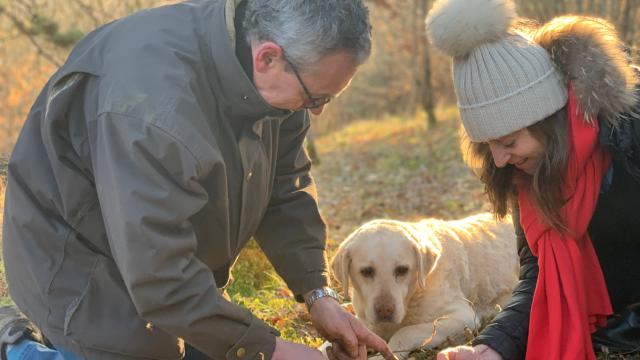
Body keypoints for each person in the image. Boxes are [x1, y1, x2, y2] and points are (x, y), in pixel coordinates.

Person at [0, 1, 399, 360]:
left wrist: (318, 294)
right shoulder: (154, 111)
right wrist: (269, 350)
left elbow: (286, 186)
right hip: (76, 265)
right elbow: (160, 276)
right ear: (268, 58)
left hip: (162, 262)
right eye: (315, 99)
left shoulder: (280, 71)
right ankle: (18, 346)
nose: (317, 112)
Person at [425, 0, 640, 359]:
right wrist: (491, 348)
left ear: (548, 123)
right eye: (488, 145)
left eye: (508, 142)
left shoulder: (628, 139)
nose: (499, 159)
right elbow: (539, 277)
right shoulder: (525, 174)